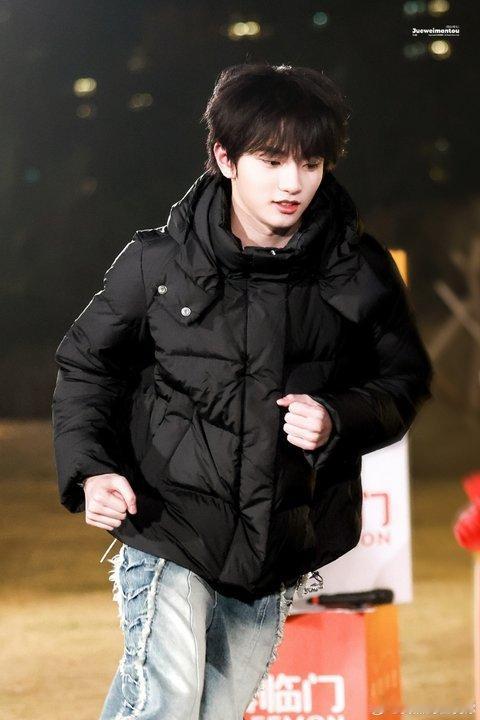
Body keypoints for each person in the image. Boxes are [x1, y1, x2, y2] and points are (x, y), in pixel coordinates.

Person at [51, 62, 433, 720]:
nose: (292, 183)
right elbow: (88, 365)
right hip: (168, 522)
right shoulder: (156, 263)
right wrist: (91, 469)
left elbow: (403, 381)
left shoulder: (358, 271)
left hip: (279, 541)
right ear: (226, 158)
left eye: (311, 163)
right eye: (271, 160)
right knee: (168, 701)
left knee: (215, 711)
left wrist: (338, 417)